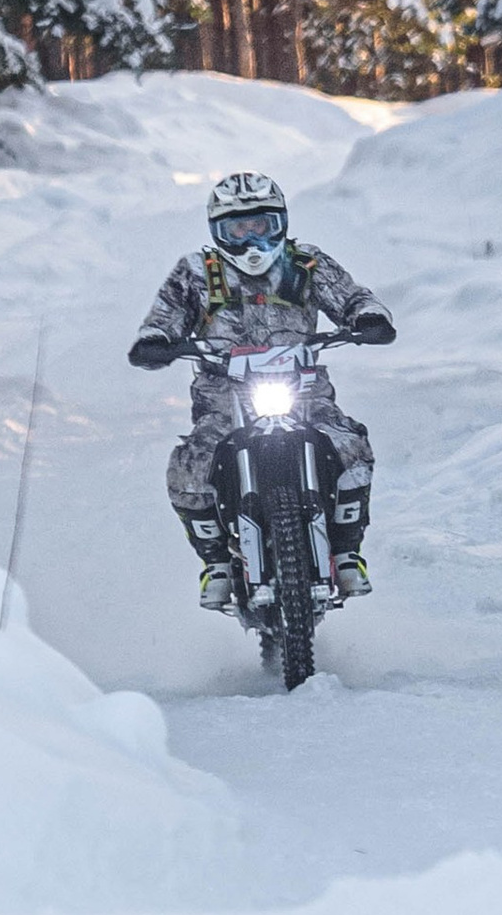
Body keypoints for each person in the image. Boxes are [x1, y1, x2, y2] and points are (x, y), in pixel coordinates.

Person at [129, 169, 394, 606]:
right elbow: (164, 318)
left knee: (351, 447)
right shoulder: (196, 272)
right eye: (238, 229)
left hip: (305, 394)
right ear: (218, 231)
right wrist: (156, 341)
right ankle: (216, 562)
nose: (252, 239)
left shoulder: (306, 263)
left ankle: (347, 552)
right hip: (223, 400)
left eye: (261, 225)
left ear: (280, 222)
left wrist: (368, 318)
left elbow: (351, 296)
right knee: (188, 466)